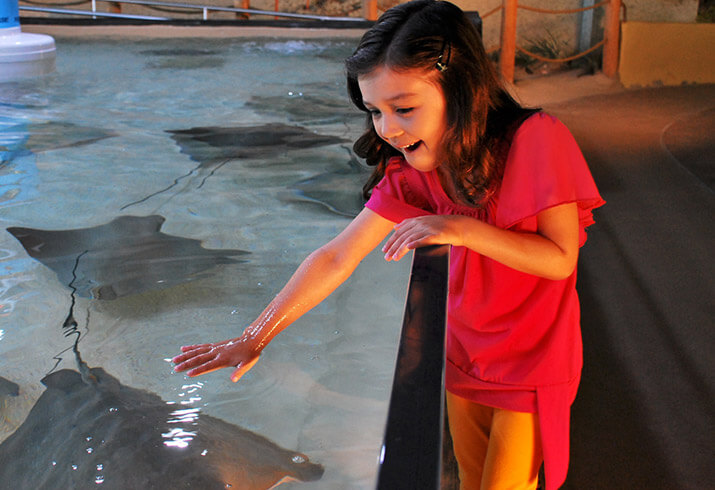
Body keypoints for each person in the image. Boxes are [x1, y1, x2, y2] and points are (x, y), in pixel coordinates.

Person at [172, 1, 605, 488]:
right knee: (470, 476)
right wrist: (254, 337)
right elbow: (337, 255)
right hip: (463, 355)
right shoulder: (411, 174)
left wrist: (460, 229)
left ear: (460, 90)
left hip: (532, 362)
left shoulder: (535, 140)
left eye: (404, 108)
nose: (387, 129)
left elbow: (560, 258)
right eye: (375, 110)